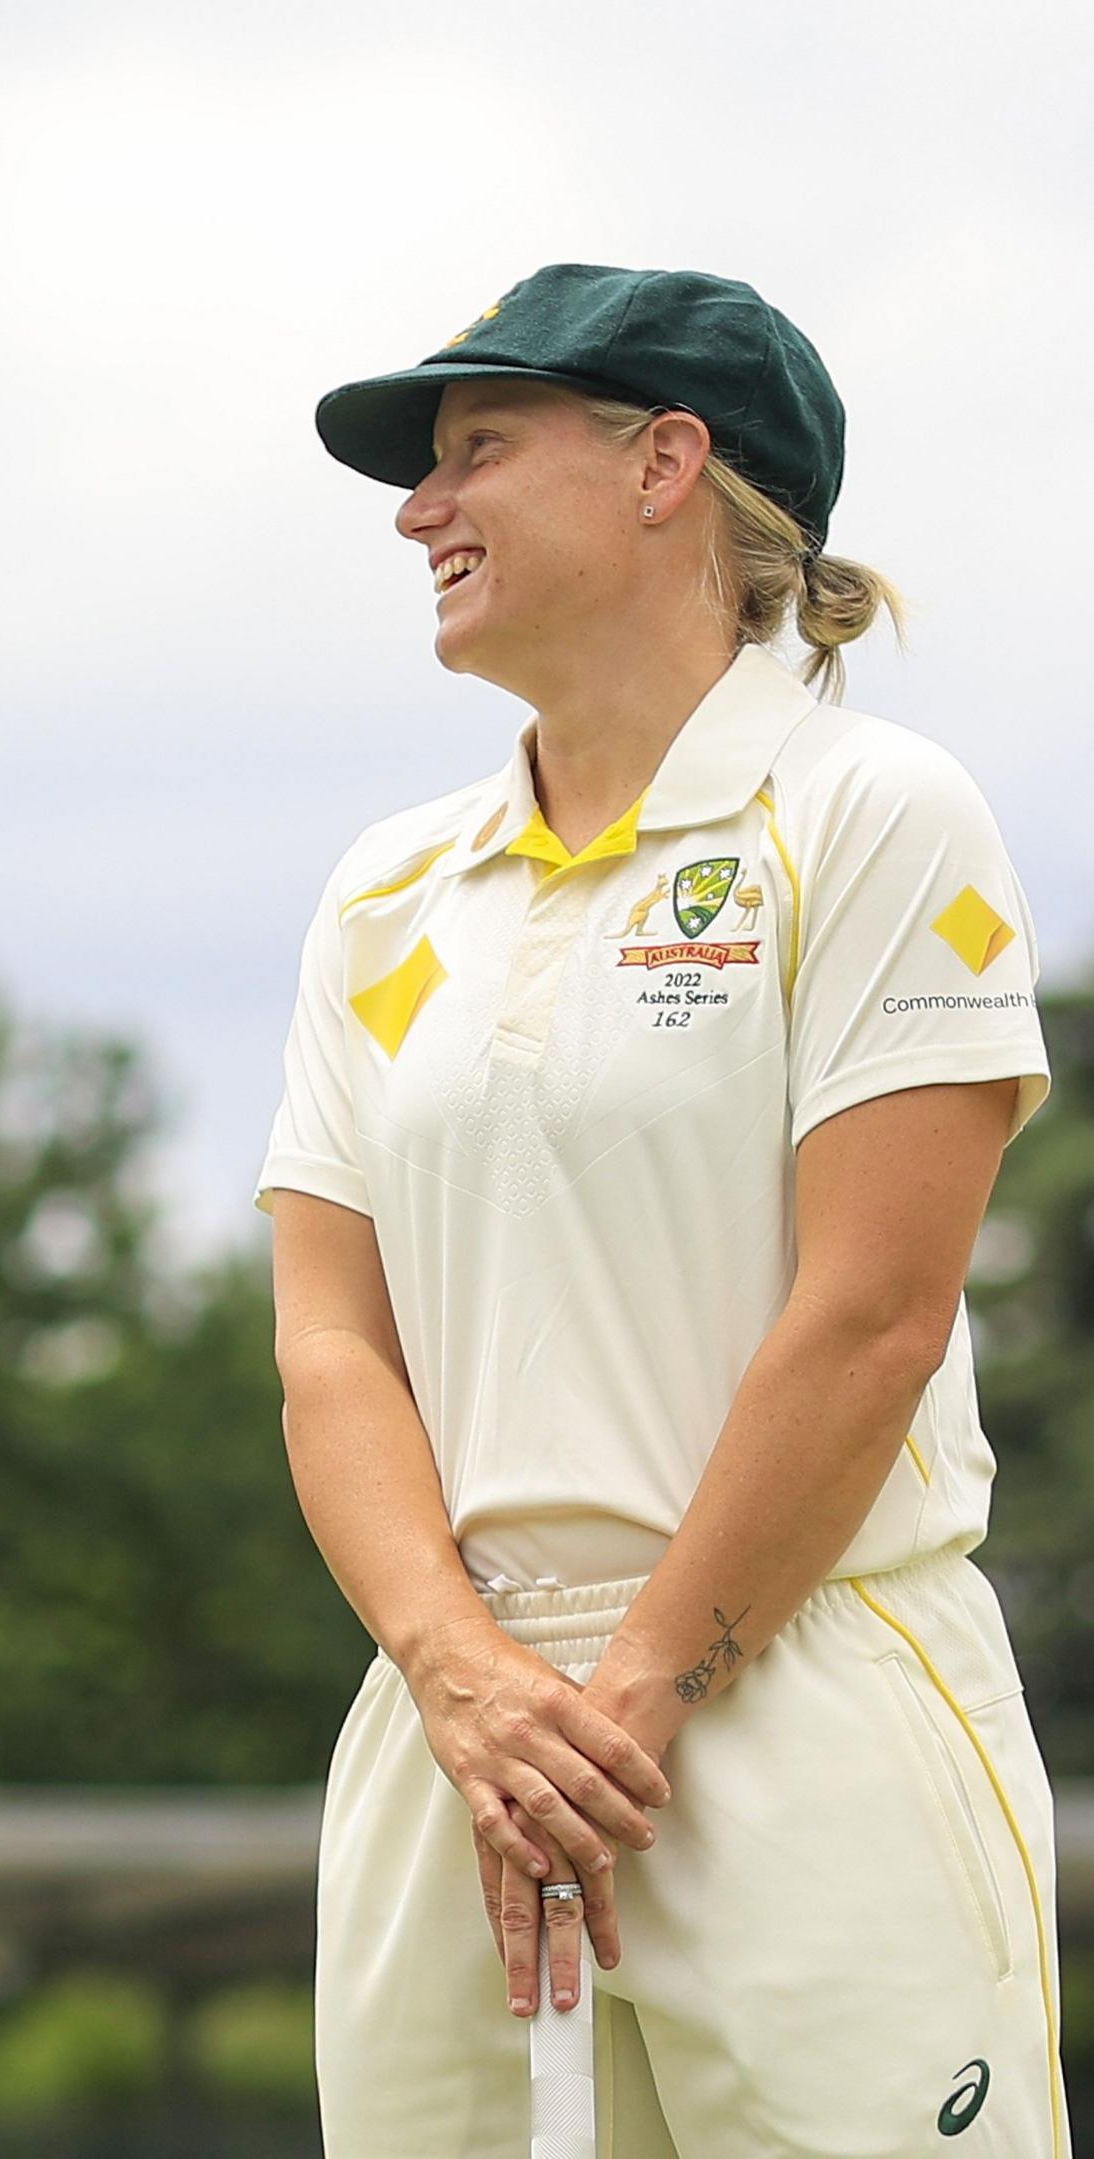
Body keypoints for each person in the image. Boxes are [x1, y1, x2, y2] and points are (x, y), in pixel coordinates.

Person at [268, 263, 1058, 2153]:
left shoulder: (876, 814)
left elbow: (873, 1320)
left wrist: (624, 1705)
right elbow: (327, 1344)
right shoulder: (388, 892)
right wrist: (467, 1682)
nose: (414, 510)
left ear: (667, 467)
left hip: (795, 1707)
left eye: (475, 453)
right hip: (456, 1733)